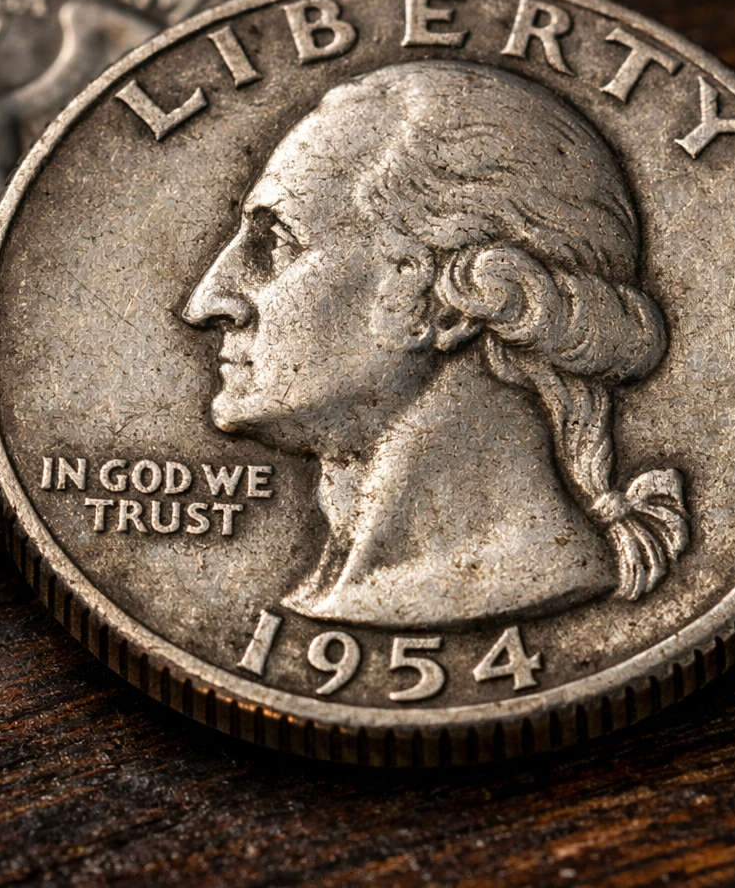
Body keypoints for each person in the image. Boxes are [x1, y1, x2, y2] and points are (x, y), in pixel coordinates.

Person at [183, 61, 687, 629]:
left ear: (447, 302)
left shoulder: (524, 584)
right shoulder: (335, 594)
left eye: (275, 243)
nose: (206, 302)